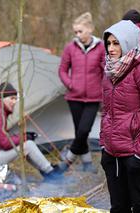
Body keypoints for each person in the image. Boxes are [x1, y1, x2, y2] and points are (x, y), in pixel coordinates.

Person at [100, 20, 140, 213]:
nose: (111, 48)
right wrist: (104, 145)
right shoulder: (109, 71)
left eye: (116, 43)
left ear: (127, 42)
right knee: (118, 208)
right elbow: (106, 112)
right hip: (113, 153)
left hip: (138, 153)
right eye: (108, 43)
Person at [0, 82, 65, 180]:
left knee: (25, 145)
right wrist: (25, 136)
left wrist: (22, 136)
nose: (14, 102)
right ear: (2, 98)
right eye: (11, 98)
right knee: (28, 145)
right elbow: (5, 143)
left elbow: (1, 138)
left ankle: (46, 170)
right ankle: (51, 173)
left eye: (15, 98)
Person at [58, 12, 104, 173]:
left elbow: (106, 70)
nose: (78, 35)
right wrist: (70, 84)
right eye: (75, 32)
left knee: (84, 130)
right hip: (74, 97)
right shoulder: (70, 48)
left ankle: (68, 159)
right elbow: (62, 70)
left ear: (90, 29)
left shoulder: (101, 47)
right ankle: (87, 163)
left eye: (80, 31)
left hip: (93, 98)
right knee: (79, 132)